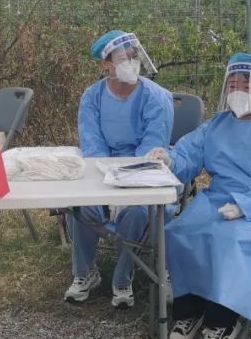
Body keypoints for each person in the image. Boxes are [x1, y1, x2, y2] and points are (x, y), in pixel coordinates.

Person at [146, 53, 251, 339]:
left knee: (226, 240)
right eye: (232, 83)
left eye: (245, 83)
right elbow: (189, 154)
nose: (238, 89)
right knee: (179, 230)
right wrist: (170, 159)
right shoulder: (217, 124)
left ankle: (222, 320)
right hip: (217, 198)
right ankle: (190, 310)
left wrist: (246, 205)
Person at [65, 30, 174, 309]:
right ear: (106, 65)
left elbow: (151, 149)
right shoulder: (92, 97)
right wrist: (105, 188)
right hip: (101, 171)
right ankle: (85, 272)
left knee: (136, 211)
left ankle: (123, 276)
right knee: (79, 205)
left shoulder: (156, 97)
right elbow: (92, 145)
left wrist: (123, 189)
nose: (131, 62)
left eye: (134, 56)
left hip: (142, 175)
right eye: (124, 58)